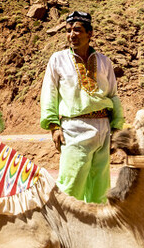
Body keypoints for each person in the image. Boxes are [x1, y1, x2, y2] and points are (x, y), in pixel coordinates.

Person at [39, 10, 124, 203]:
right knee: (70, 184)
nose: (72, 35)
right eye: (68, 31)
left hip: (103, 127)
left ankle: (96, 228)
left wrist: (117, 128)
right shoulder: (58, 59)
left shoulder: (104, 61)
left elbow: (113, 94)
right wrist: (54, 126)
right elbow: (49, 94)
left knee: (100, 186)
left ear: (90, 33)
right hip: (74, 128)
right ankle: (65, 228)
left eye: (77, 30)